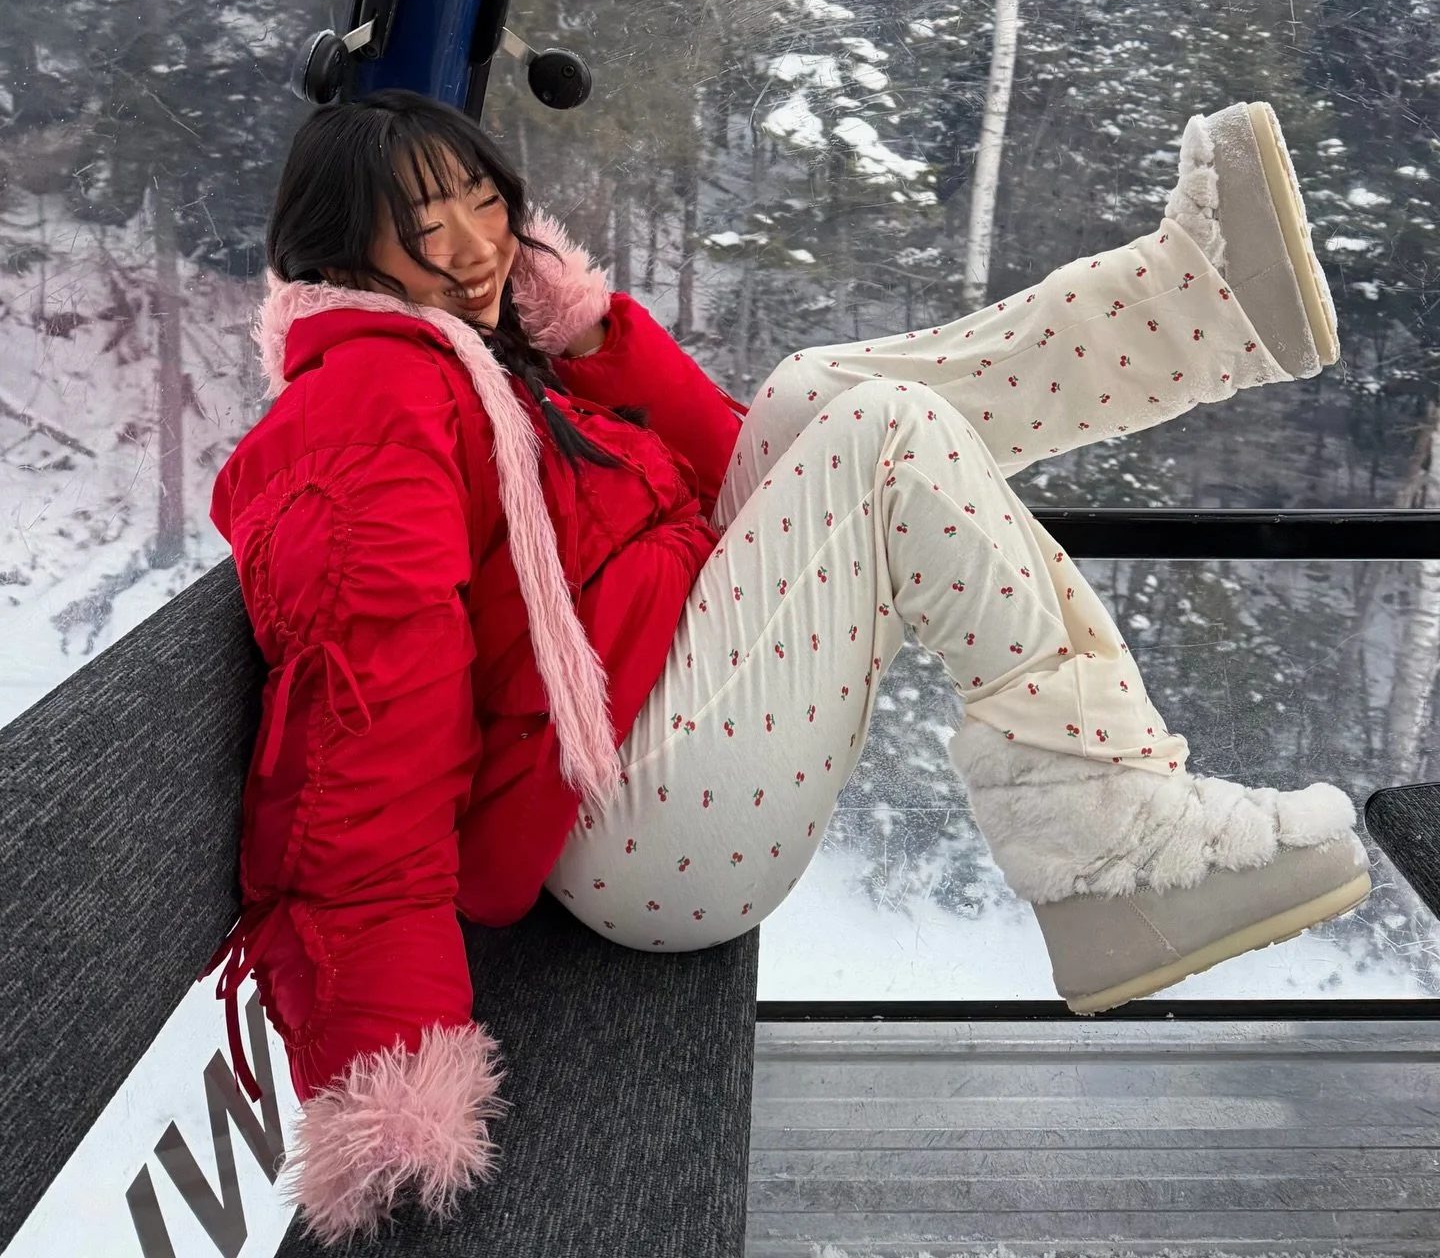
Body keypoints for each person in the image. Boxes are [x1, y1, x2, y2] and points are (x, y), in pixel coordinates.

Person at [208, 90, 1369, 1243]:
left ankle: (1195, 303)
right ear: (340, 247)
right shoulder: (368, 400)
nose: (475, 245)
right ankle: (1107, 837)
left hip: (658, 725)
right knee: (883, 435)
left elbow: (723, 472)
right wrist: (388, 1067)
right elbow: (362, 726)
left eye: (483, 199)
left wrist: (594, 339)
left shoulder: (494, 363)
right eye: (424, 225)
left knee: (821, 394)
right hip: (631, 834)